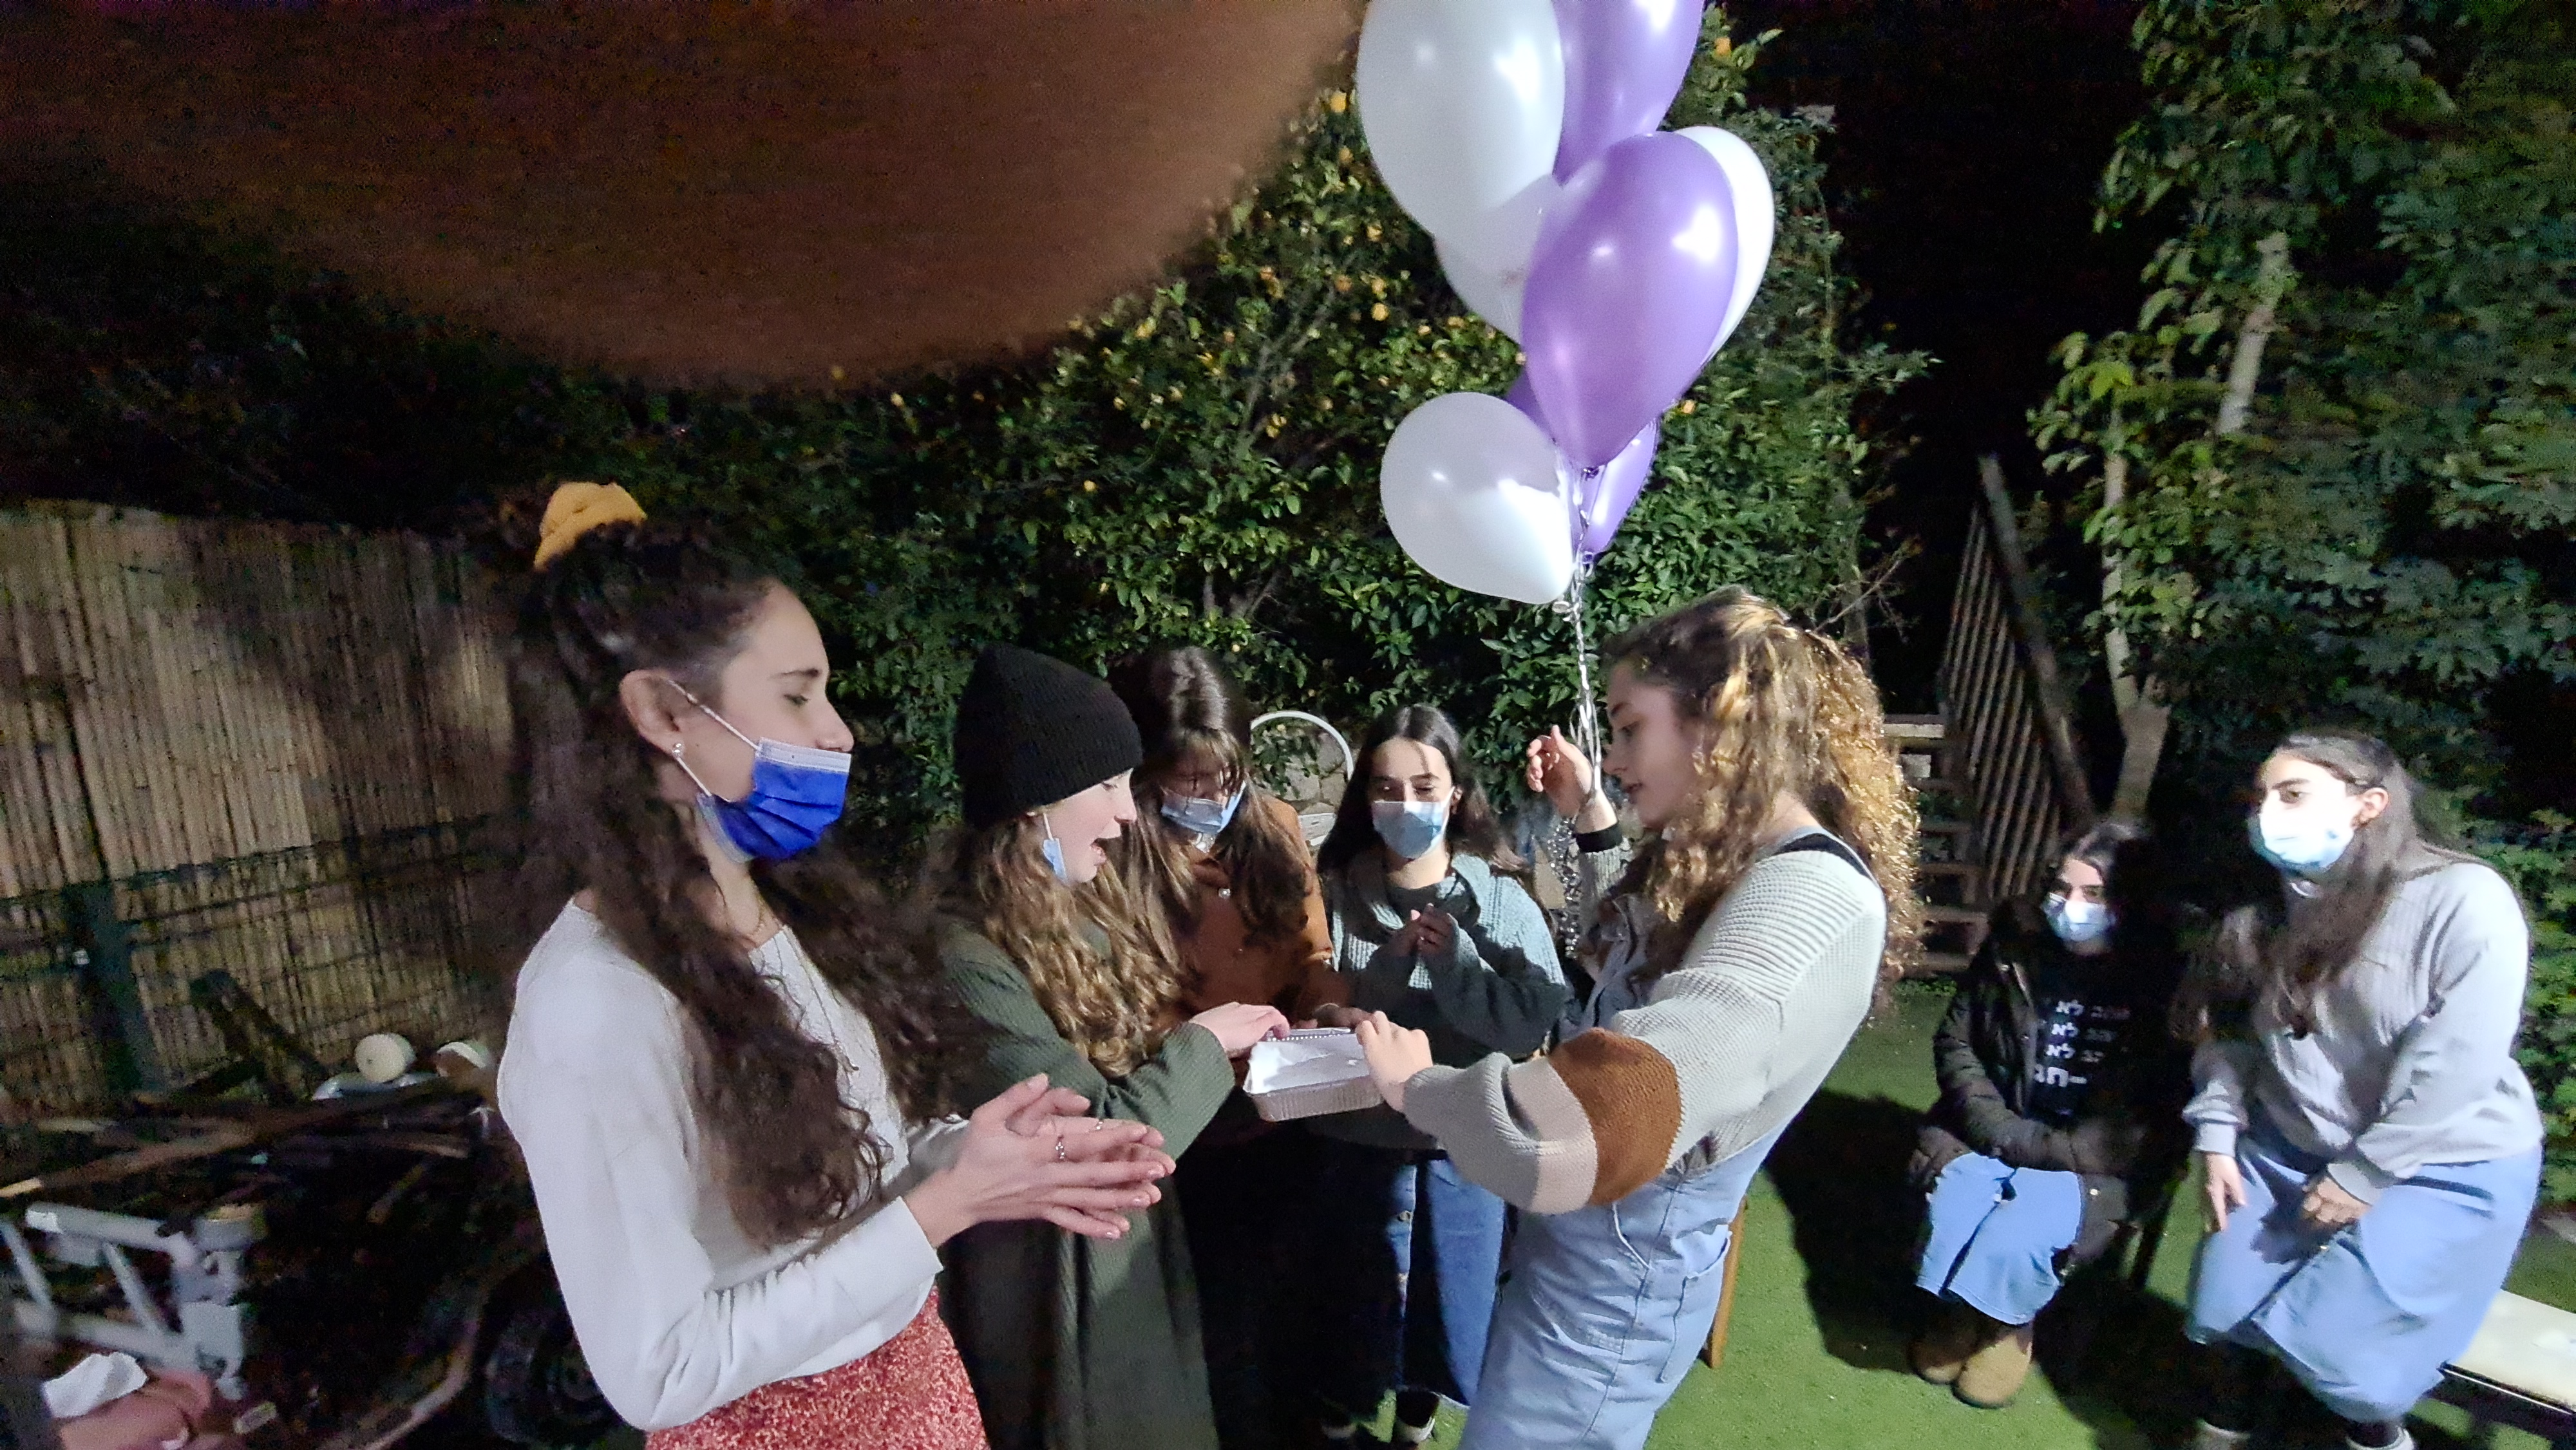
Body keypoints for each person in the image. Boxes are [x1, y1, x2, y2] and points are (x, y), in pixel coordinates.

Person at [494, 484, 1177, 1450]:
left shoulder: (786, 913)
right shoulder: (595, 1004)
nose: (838, 731)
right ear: (662, 711)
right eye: (796, 694)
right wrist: (945, 1207)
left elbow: (838, 1194)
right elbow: (662, 1369)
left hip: (917, 1387)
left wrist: (976, 1157)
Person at [1358, 587, 1920, 1450]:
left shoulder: (1809, 899)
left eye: (1630, 729)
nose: (1616, 759)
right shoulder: (1743, 863)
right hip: (1579, 1267)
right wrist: (1588, 811)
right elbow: (1632, 947)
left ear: (1720, 719)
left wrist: (1420, 1089)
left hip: (1604, 1301)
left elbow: (1595, 1131)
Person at [930, 643, 1291, 1450]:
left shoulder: (1071, 916)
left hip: (1118, 1272)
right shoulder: (964, 959)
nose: (1129, 813)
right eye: (1105, 785)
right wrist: (1204, 1043)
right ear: (1034, 801)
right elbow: (1099, 1136)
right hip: (1054, 1298)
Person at [2181, 730, 2541, 1450]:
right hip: (2289, 1142)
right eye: (2259, 798)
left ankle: (2378, 1439)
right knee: (2222, 1309)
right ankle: (2222, 1434)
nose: (2266, 814)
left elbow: (2459, 1062)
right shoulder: (2263, 902)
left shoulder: (2462, 897)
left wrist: (2366, 1172)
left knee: (2343, 1356)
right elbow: (2227, 1031)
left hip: (2439, 1159)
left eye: (2293, 794)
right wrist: (2218, 1132)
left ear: (2368, 804)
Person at [1303, 704, 1568, 1448]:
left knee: (1448, 1311)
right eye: (1386, 788)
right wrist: (1361, 992)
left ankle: (1413, 1431)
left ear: (1456, 794)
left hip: (1461, 1152)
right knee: (1346, 1318)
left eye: (1424, 787)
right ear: (1364, 797)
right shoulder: (1331, 894)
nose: (1406, 805)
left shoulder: (1503, 902)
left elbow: (1528, 1027)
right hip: (1353, 1149)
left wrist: (1457, 965)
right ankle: (1334, 1425)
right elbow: (1307, 1004)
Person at [1106, 645, 1347, 1450]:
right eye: (1189, 779)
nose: (1211, 796)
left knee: (1293, 1314)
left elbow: (1312, 955)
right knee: (1218, 1331)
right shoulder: (1114, 849)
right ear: (1146, 771)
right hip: (1186, 1129)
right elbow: (1112, 1006)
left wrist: (1330, 1008)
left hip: (1286, 1110)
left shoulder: (1273, 826)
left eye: (1225, 775)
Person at [1906, 820, 2193, 1408]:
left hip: (2093, 1161)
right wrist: (1997, 1129)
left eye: (2094, 894)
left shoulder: (2165, 983)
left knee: (2021, 1229)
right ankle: (1961, 1309)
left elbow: (2154, 1110)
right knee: (1957, 1203)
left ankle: (2009, 1324)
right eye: (2062, 888)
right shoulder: (2014, 949)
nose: (2070, 905)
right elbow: (1958, 1042)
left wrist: (2042, 1151)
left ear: (2132, 904)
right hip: (1997, 1127)